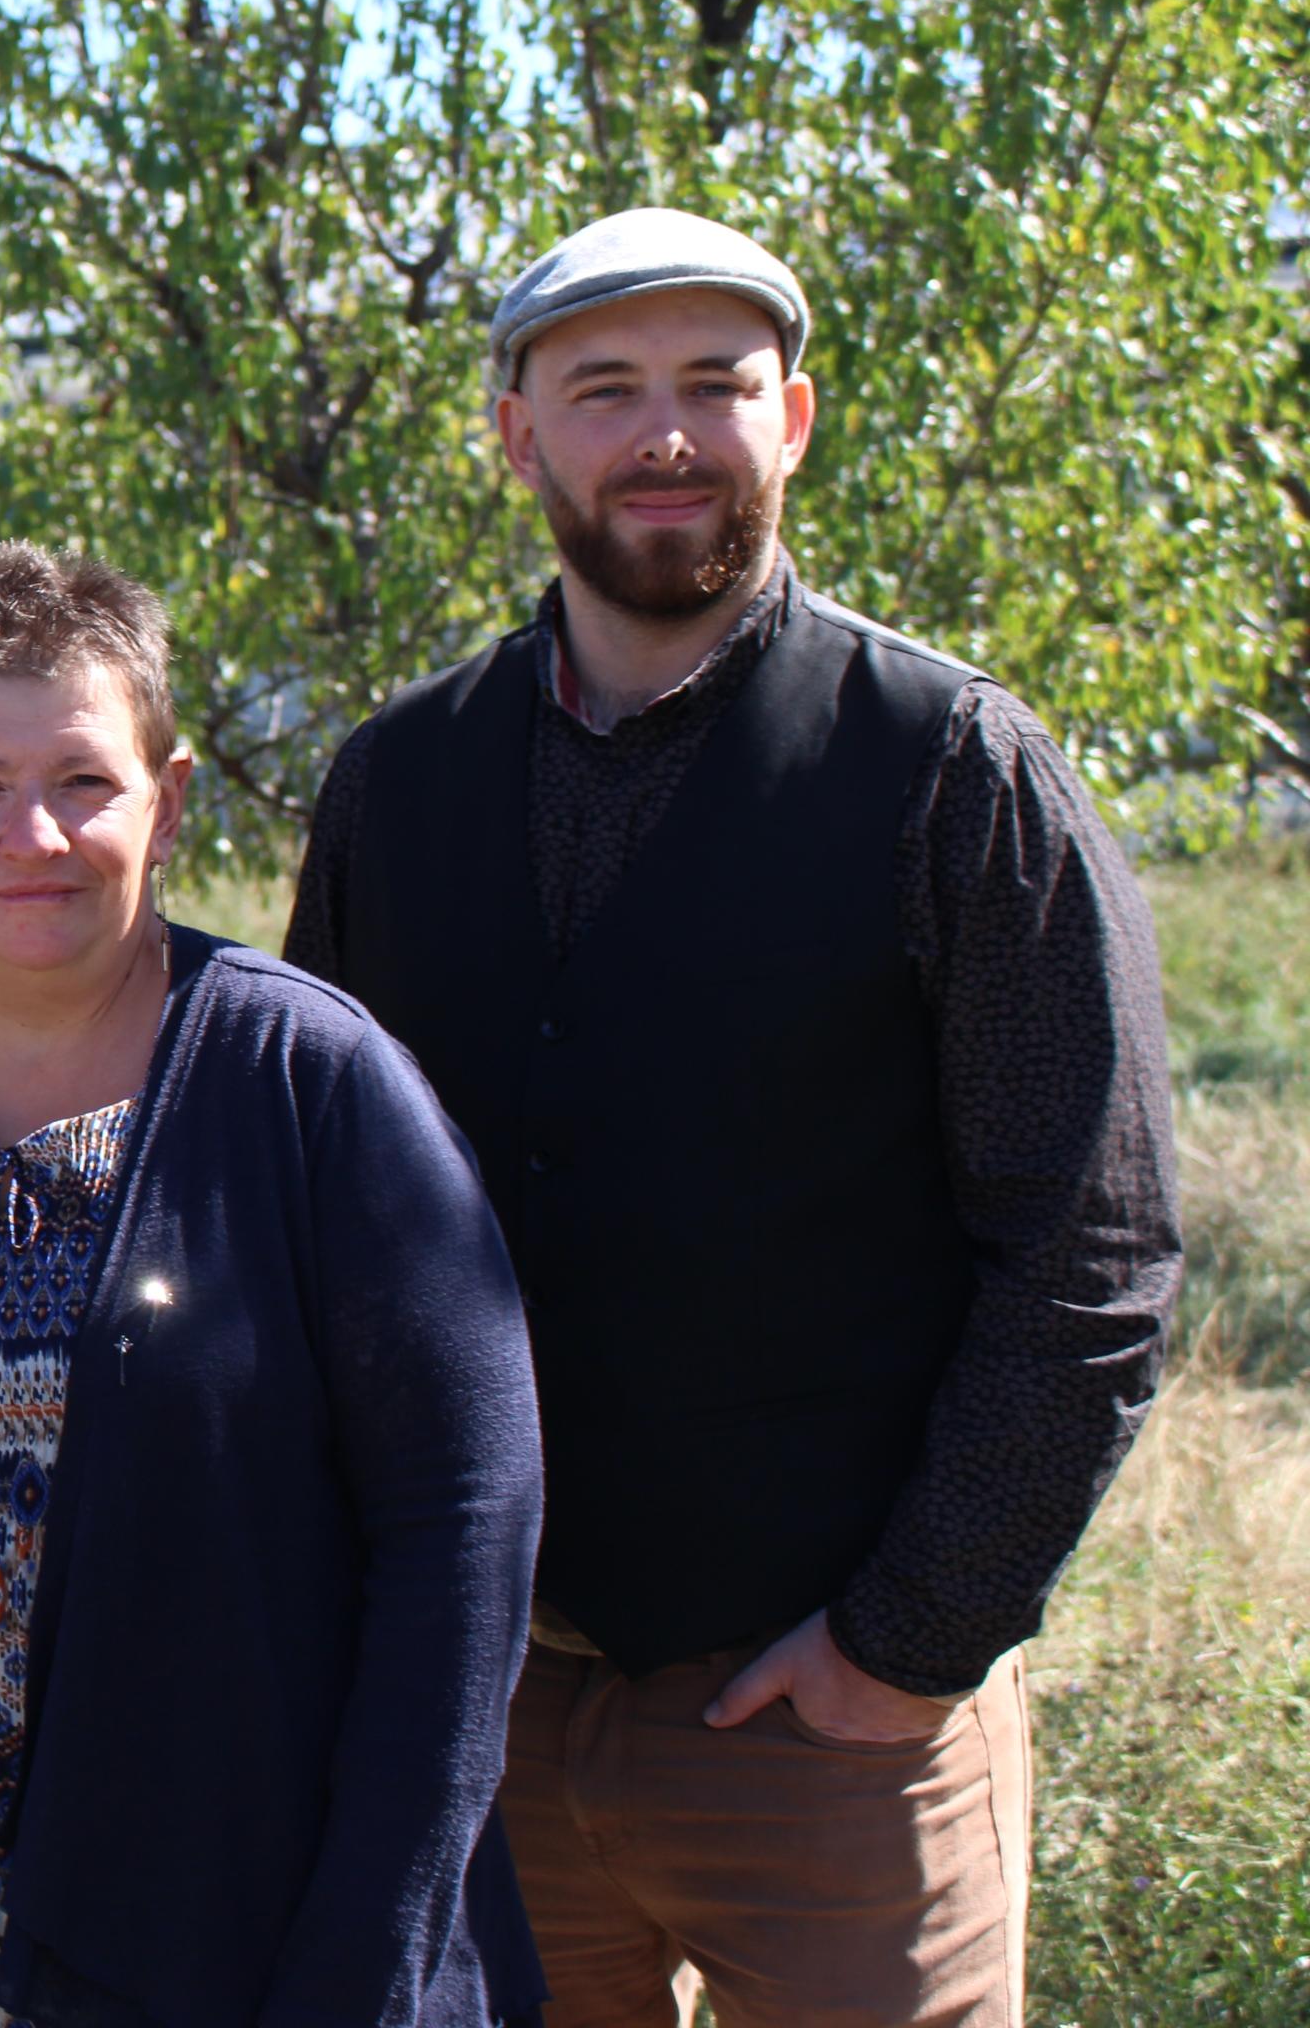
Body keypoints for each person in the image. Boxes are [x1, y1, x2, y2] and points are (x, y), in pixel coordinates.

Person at [282, 207, 1185, 2026]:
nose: (666, 435)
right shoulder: (397, 781)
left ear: (796, 419)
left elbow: (1089, 1253)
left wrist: (904, 1646)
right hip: (487, 1728)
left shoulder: (954, 768)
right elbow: (312, 1223)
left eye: (717, 383)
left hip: (836, 1742)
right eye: (605, 389)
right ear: (517, 436)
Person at [0, 544, 548, 2028]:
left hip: (216, 1951)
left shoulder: (308, 1082)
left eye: (85, 782)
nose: (33, 834)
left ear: (167, 803)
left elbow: (463, 1529)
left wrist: (366, 1957)